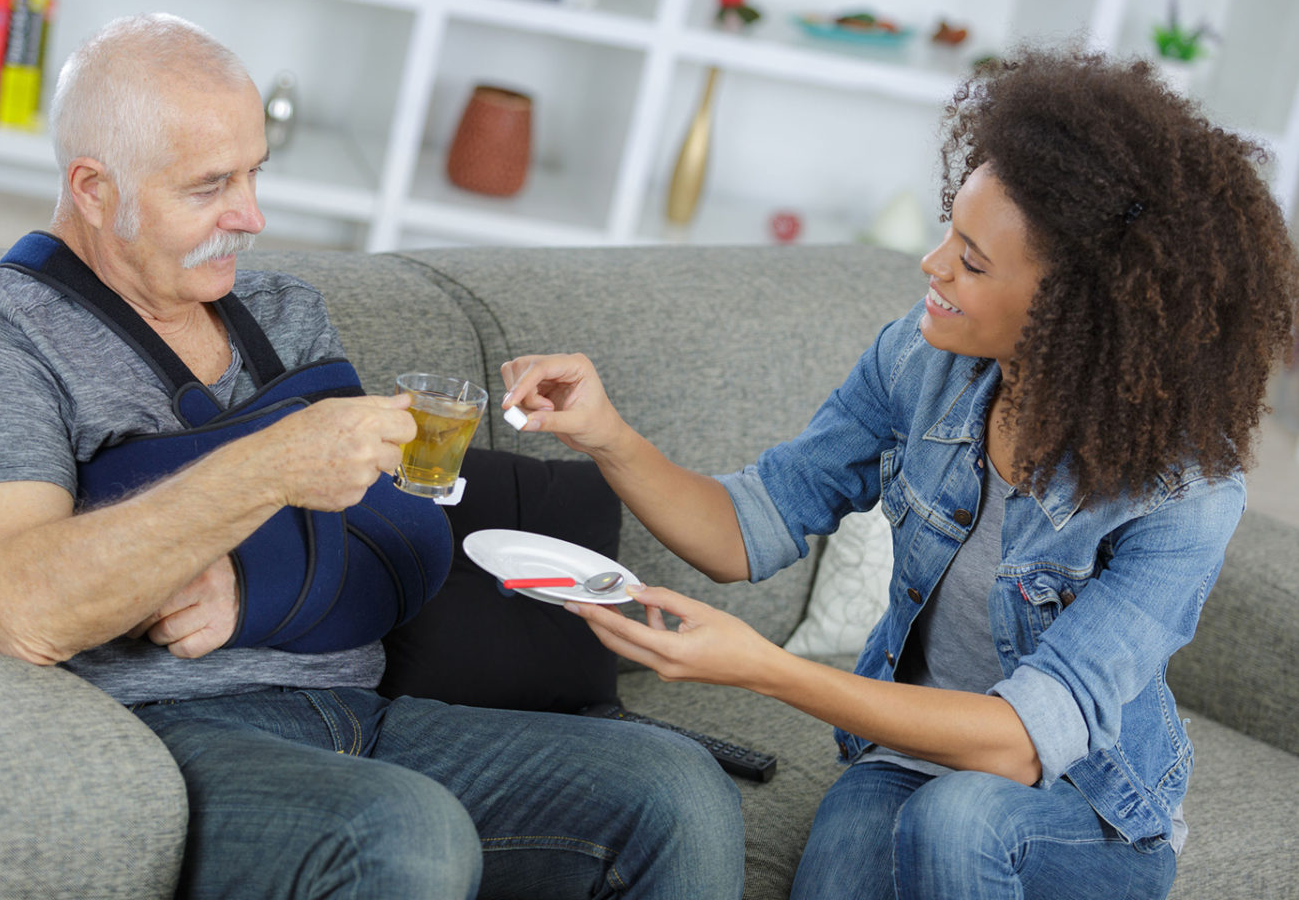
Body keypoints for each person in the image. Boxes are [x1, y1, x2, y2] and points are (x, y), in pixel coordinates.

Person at [0, 12, 744, 900]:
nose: (250, 215)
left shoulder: (283, 315)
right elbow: (25, 606)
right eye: (209, 186)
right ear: (95, 191)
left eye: (254, 172)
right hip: (168, 734)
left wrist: (244, 586)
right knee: (401, 829)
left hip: (365, 717)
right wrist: (270, 467)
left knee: (673, 788)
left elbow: (404, 543)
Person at [499, 47, 1299, 900]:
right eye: (949, 230)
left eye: (973, 260)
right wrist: (608, 434)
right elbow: (747, 526)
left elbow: (1024, 740)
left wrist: (762, 666)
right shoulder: (916, 364)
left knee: (959, 819)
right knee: (887, 845)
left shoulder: (1185, 494)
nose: (933, 265)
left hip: (1085, 807)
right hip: (907, 762)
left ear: (1078, 314)